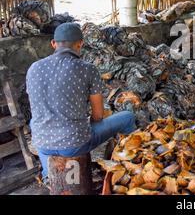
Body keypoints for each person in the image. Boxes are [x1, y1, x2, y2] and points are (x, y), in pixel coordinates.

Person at [26, 23, 136, 180]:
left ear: (53, 44)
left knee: (35, 123)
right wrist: (85, 123)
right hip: (74, 144)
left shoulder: (34, 68)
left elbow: (37, 107)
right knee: (127, 117)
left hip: (43, 143)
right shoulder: (87, 69)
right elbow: (98, 116)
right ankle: (130, 165)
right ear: (80, 44)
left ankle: (48, 176)